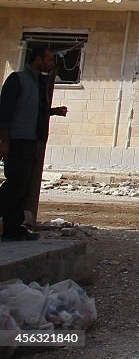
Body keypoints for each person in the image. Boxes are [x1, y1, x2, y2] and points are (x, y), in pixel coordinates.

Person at [0, 46, 67, 241]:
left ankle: (13, 227)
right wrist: (4, 141)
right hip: (17, 140)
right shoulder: (18, 79)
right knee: (15, 185)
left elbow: (33, 110)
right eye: (49, 60)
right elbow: (5, 113)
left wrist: (53, 111)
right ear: (37, 59)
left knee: (24, 187)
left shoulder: (38, 83)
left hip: (32, 140)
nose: (51, 64)